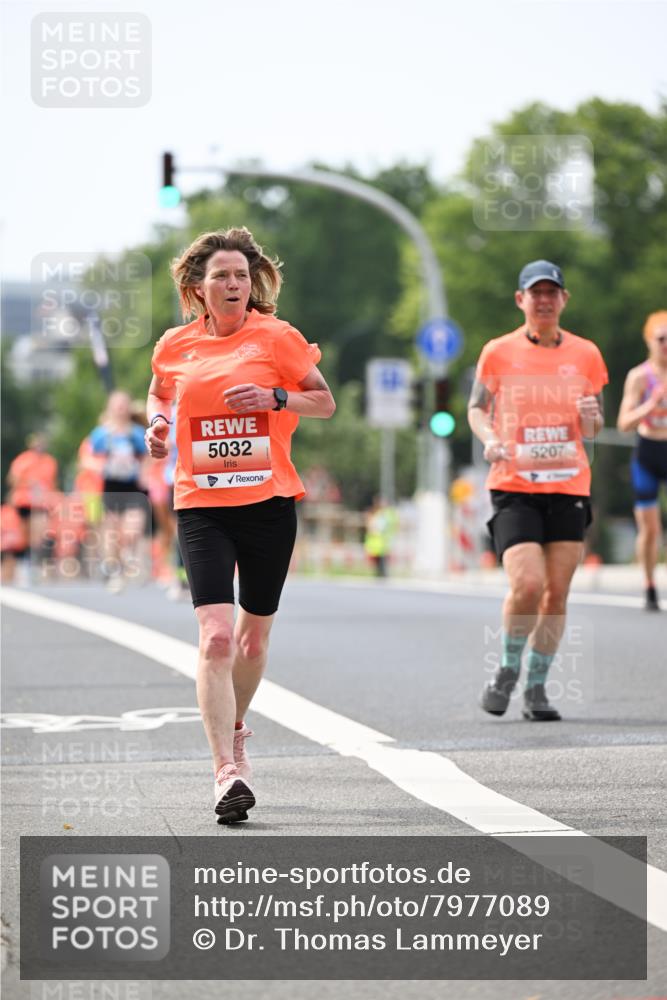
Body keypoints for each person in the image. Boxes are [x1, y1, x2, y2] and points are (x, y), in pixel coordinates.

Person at [144, 226, 335, 823]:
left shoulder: (276, 338)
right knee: (217, 638)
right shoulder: (175, 345)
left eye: (242, 276)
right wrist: (156, 427)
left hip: (268, 504)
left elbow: (323, 400)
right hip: (201, 503)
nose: (233, 285)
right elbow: (159, 394)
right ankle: (226, 770)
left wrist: (275, 401)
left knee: (252, 640)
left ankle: (234, 727)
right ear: (197, 288)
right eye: (222, 276)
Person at [468, 260, 608, 721]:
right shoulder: (498, 352)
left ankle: (537, 688)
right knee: (527, 585)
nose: (544, 300)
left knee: (556, 595)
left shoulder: (586, 354)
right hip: (514, 485)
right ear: (521, 300)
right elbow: (476, 409)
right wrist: (490, 439)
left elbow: (594, 423)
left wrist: (590, 415)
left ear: (564, 300)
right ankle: (507, 669)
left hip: (568, 485)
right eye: (536, 292)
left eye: (553, 292)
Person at [616, 310, 667, 611]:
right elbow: (624, 423)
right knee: (650, 529)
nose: (666, 345)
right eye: (661, 339)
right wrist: (651, 404)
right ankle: (649, 584)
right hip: (648, 452)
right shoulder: (639, 377)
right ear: (649, 341)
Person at [90, 390, 148, 592]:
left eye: (124, 404)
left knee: (133, 529)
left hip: (133, 486)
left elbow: (147, 457)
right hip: (111, 485)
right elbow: (87, 458)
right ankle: (114, 569)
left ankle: (127, 557)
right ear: (111, 408)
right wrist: (101, 467)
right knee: (112, 531)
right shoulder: (102, 434)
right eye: (117, 404)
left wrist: (144, 474)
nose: (121, 408)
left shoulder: (137, 433)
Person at [7, 432, 58, 575]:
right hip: (24, 501)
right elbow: (12, 479)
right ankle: (24, 560)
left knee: (39, 532)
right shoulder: (23, 460)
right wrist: (29, 483)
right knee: (25, 532)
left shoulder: (50, 462)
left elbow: (52, 482)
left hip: (42, 503)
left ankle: (35, 561)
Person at [364, 497, 398, 577]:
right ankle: (381, 573)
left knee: (382, 559)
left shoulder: (384, 514)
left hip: (381, 541)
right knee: (379, 560)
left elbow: (376, 527)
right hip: (379, 541)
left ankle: (382, 573)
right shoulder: (380, 514)